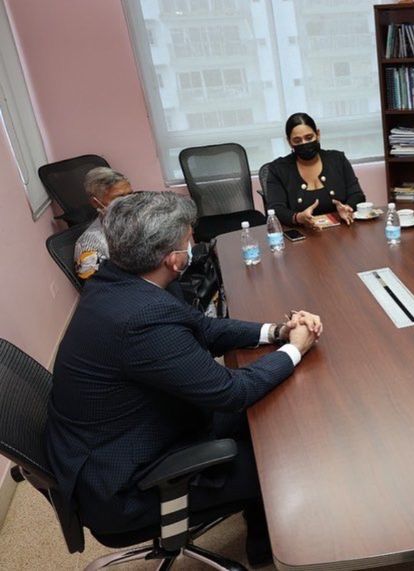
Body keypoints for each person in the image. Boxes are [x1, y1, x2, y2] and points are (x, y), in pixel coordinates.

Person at [45, 191, 323, 565]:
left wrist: (276, 331)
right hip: (126, 484)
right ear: (175, 260)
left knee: (272, 416)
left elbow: (203, 329)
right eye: (188, 239)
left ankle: (259, 537)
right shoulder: (141, 320)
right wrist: (296, 349)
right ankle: (264, 547)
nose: (193, 245)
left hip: (130, 427)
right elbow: (231, 391)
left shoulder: (119, 279)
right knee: (276, 459)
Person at [265, 112, 366, 230]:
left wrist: (347, 207)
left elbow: (357, 195)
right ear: (289, 142)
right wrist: (298, 217)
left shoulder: (338, 159)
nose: (304, 144)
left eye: (309, 138)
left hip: (342, 230)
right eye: (297, 141)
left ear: (317, 134)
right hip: (302, 234)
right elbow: (276, 209)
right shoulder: (278, 169)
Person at [74, 166, 133, 279]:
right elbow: (100, 289)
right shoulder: (90, 246)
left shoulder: (136, 220)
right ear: (95, 202)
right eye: (119, 198)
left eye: (130, 195)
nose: (129, 202)